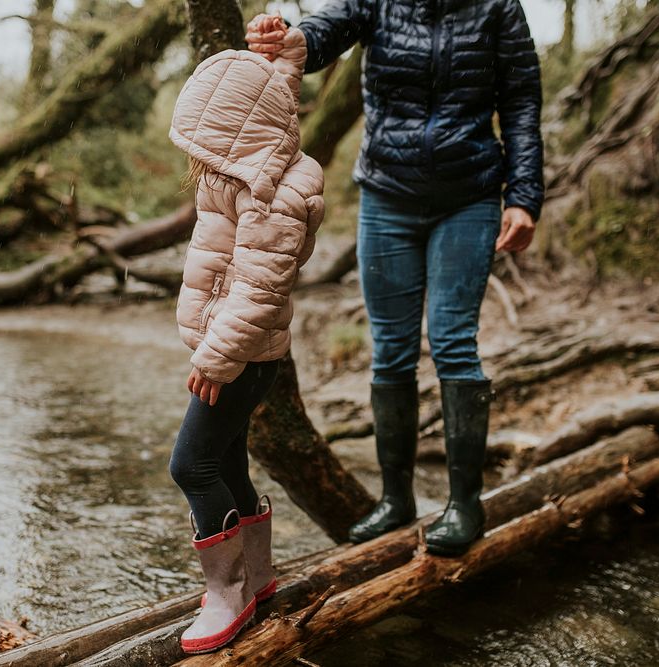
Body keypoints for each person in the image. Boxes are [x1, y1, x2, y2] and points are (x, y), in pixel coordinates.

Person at [247, 1, 544, 556]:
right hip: (387, 195)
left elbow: (522, 101)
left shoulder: (499, 6)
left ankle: (464, 503)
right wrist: (288, 39)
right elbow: (326, 33)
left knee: (454, 342)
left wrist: (524, 196)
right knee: (391, 352)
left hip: (470, 195)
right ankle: (396, 500)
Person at [166, 20, 325, 654]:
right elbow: (270, 103)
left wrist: (216, 357)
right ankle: (256, 578)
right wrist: (283, 54)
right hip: (239, 353)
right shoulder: (249, 159)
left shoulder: (270, 191)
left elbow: (258, 287)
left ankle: (226, 595)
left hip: (242, 354)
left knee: (191, 465)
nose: (196, 156)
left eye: (204, 139)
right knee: (227, 459)